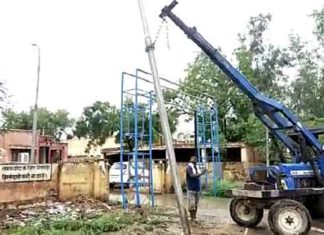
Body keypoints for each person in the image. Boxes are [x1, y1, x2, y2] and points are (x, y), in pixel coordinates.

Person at [186, 156, 207, 222]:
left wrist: (202, 172)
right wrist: (201, 173)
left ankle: (194, 217)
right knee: (192, 204)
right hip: (191, 188)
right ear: (190, 160)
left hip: (197, 188)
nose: (194, 160)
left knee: (196, 204)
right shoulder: (189, 167)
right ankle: (192, 218)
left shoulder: (196, 167)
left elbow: (198, 174)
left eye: (195, 159)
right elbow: (191, 175)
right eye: (192, 159)